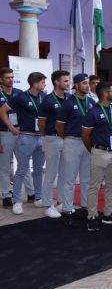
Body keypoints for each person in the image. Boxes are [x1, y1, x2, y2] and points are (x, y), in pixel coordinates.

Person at [0, 72, 47, 214]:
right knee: (20, 169)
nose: (45, 85)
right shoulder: (21, 97)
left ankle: (38, 197)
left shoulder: (43, 97)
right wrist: (11, 127)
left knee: (38, 170)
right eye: (43, 82)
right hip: (25, 136)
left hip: (40, 137)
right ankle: (16, 200)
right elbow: (2, 111)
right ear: (35, 83)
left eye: (12, 77)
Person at [56, 73, 95, 226]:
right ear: (76, 85)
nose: (87, 85)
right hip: (72, 142)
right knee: (69, 178)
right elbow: (59, 126)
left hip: (88, 143)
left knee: (86, 179)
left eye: (88, 83)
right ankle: (67, 209)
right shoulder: (68, 103)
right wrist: (68, 138)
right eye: (84, 83)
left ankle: (85, 207)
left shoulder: (92, 102)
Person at [82, 82, 112, 231]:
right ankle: (92, 215)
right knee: (94, 185)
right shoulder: (93, 112)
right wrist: (92, 149)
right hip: (99, 151)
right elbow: (85, 135)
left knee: (111, 185)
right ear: (105, 93)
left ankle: (108, 213)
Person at [38, 70, 70, 218]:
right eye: (65, 81)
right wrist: (48, 136)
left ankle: (62, 201)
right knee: (51, 173)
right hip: (52, 138)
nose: (68, 83)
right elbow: (41, 122)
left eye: (69, 81)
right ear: (57, 82)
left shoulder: (69, 98)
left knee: (65, 172)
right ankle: (47, 204)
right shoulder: (48, 100)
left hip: (67, 139)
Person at [0, 67, 33, 208]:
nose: (11, 80)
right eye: (8, 77)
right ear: (1, 80)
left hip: (20, 133)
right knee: (4, 167)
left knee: (24, 164)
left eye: (12, 77)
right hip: (4, 134)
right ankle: (6, 195)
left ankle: (31, 192)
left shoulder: (19, 93)